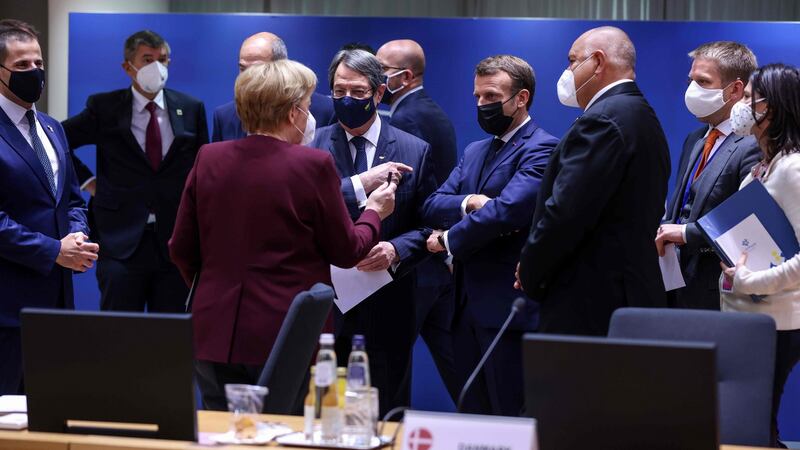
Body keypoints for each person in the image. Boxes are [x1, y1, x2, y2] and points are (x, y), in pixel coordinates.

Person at [168, 59, 397, 410]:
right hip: (285, 335)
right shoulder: (312, 165)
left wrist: (215, 289)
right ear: (293, 113)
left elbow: (181, 248)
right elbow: (347, 249)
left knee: (222, 435)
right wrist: (373, 213)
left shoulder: (209, 158)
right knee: (282, 435)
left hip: (212, 330)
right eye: (306, 107)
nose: (309, 116)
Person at [423, 55, 558, 415]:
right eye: (478, 97)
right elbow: (433, 204)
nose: (482, 105)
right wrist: (469, 202)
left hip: (506, 307)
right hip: (462, 305)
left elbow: (508, 211)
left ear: (522, 98)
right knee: (471, 413)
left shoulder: (542, 147)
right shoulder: (475, 150)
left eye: (492, 97)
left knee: (507, 413)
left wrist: (448, 240)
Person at [516, 26, 670, 335]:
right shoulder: (638, 112)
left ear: (598, 62)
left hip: (592, 300)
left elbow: (565, 212)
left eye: (573, 61)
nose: (568, 71)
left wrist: (531, 270)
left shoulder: (603, 120)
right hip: (625, 292)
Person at [311, 49, 437, 415]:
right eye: (338, 91)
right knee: (325, 410)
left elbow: (429, 222)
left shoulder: (415, 149)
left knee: (387, 409)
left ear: (379, 94)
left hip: (389, 299)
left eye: (358, 92)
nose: (346, 100)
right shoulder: (312, 146)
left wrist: (397, 249)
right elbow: (303, 214)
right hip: (327, 303)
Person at [62, 30, 208, 313]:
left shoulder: (190, 108)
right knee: (118, 335)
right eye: (148, 59)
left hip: (173, 242)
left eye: (162, 59)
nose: (157, 67)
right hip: (120, 240)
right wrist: (89, 181)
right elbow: (58, 141)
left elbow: (203, 167)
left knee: (170, 336)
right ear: (128, 67)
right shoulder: (104, 107)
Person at [0, 19, 96, 394]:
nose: (34, 73)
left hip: (55, 301)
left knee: (49, 409)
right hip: (7, 306)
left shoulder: (52, 127)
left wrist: (76, 235)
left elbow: (71, 197)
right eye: (22, 66)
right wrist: (54, 250)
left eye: (38, 63)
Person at [720, 63, 800, 448]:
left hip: (776, 322)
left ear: (774, 107)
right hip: (745, 314)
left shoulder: (794, 168)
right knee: (746, 426)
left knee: (755, 429)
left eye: (750, 98)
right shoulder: (758, 169)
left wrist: (749, 280)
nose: (741, 104)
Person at [375, 38, 460, 401]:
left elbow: (407, 192)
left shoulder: (406, 119)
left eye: (380, 71)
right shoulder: (435, 112)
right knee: (459, 368)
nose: (375, 79)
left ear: (405, 76)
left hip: (414, 261)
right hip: (439, 261)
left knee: (388, 370)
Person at [655, 41, 760, 310]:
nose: (692, 90)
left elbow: (746, 223)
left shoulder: (752, 145)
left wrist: (686, 233)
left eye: (703, 82)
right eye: (691, 80)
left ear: (735, 89)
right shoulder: (696, 139)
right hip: (675, 282)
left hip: (716, 289)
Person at [211, 32, 335, 142]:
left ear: (281, 67)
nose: (247, 78)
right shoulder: (225, 116)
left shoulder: (325, 111)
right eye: (242, 69)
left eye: (257, 70)